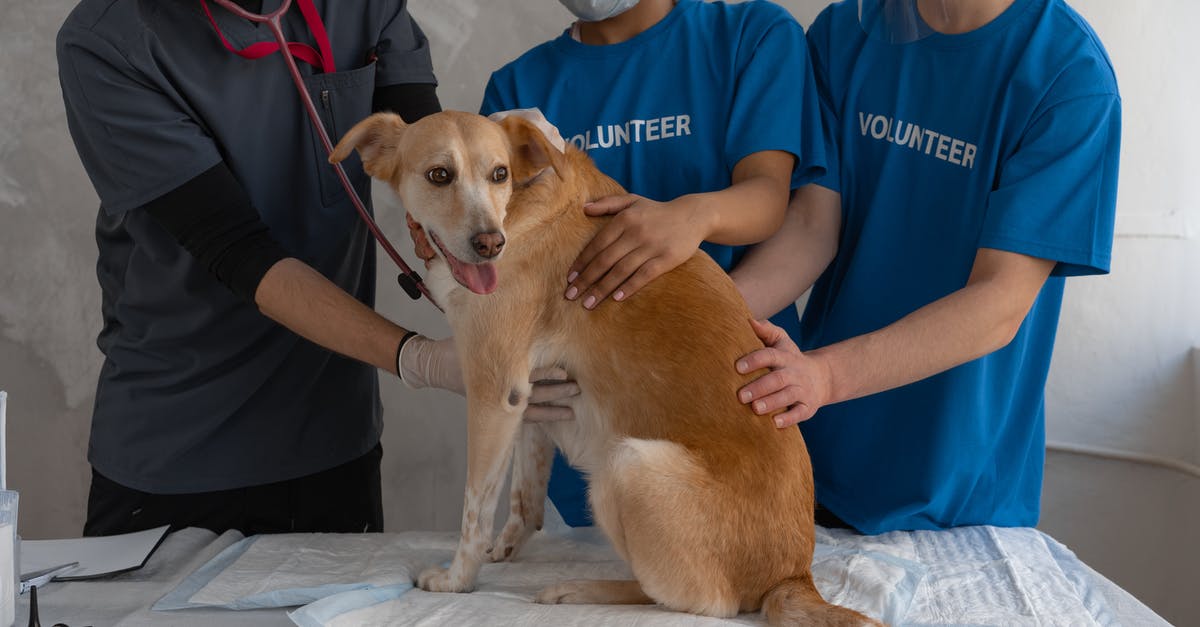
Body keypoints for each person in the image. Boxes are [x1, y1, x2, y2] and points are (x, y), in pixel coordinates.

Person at [56, 0, 572, 537]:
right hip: (181, 446)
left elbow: (421, 139)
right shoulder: (107, 40)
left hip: (332, 435)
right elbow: (236, 250)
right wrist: (420, 359)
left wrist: (472, 188)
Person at [418, 0, 827, 526]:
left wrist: (696, 216)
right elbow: (499, 265)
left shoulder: (750, 35)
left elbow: (770, 198)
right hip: (588, 456)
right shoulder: (518, 92)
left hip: (728, 408)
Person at [729, 0, 1121, 535]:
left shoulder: (1068, 73)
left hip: (959, 496)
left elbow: (998, 303)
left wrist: (826, 375)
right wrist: (692, 324)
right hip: (815, 459)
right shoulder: (847, 32)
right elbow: (810, 229)